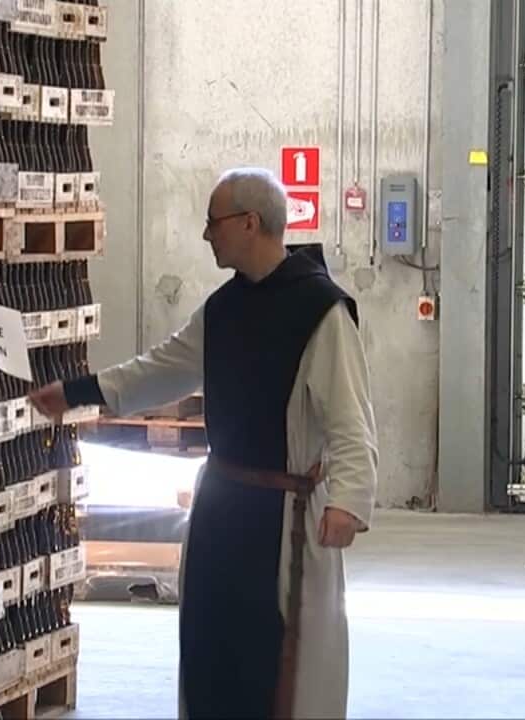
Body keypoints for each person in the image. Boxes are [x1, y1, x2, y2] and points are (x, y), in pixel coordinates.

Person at [29, 167, 379, 719]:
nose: (206, 235)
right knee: (211, 648)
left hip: (285, 517)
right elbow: (162, 368)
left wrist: (347, 500)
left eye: (213, 223)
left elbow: (350, 414)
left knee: (287, 667)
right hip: (223, 507)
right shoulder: (223, 309)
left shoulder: (321, 311)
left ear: (249, 223)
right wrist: (76, 392)